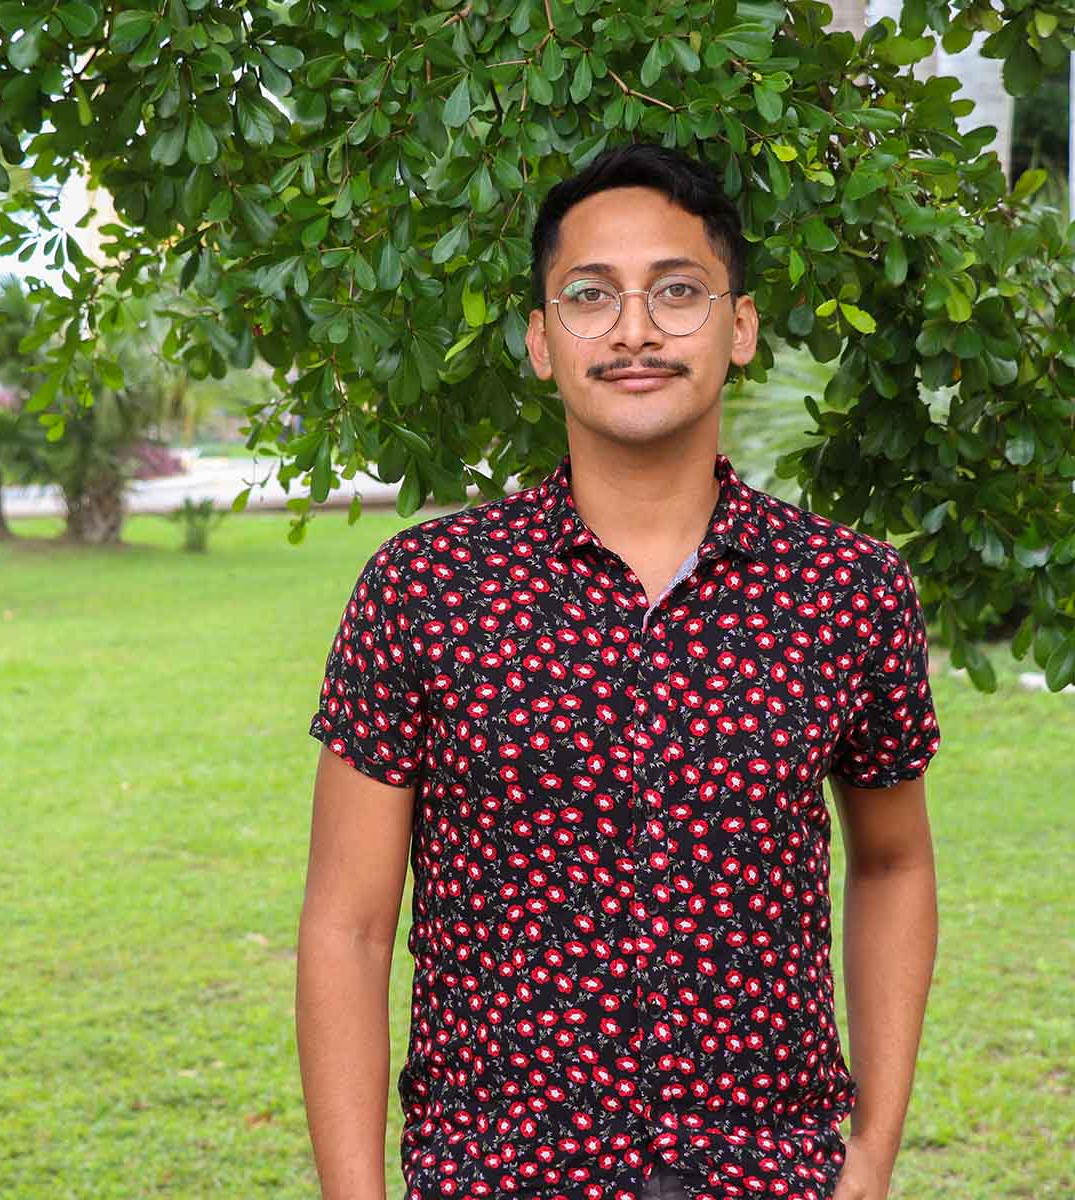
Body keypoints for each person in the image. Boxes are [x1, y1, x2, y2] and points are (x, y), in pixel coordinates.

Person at [297, 141, 941, 1200]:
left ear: (739, 329)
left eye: (677, 292)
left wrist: (869, 1156)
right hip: (496, 1176)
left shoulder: (847, 590)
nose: (635, 329)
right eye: (590, 296)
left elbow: (893, 866)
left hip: (766, 1172)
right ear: (541, 341)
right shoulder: (425, 590)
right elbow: (349, 924)